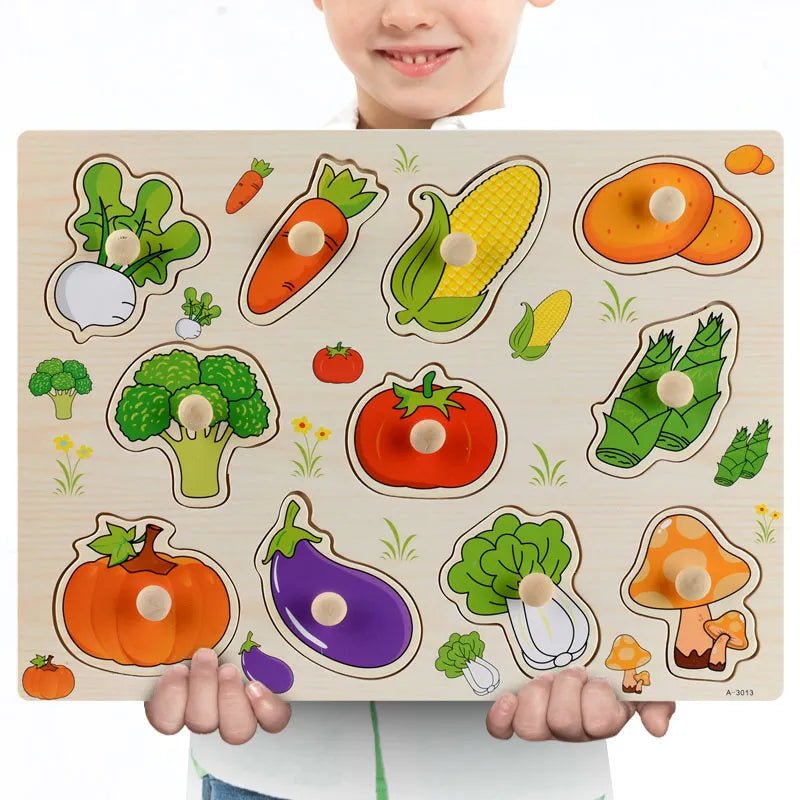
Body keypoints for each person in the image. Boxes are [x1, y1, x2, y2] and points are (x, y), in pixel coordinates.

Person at [146, 2, 676, 798]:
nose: (405, 12)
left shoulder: (627, 224)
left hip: (522, 775)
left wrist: (645, 658)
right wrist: (162, 651)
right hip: (267, 771)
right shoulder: (234, 215)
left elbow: (673, 494)